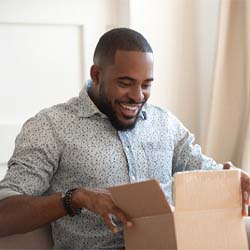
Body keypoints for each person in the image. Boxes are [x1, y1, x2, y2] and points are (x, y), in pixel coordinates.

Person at [0, 28, 249, 250]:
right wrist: (74, 198)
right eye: (125, 83)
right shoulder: (51, 126)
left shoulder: (164, 124)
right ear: (96, 74)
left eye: (146, 85)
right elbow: (5, 215)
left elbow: (203, 172)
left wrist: (230, 179)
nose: (137, 96)